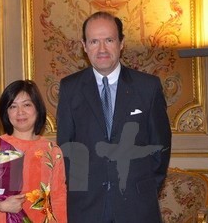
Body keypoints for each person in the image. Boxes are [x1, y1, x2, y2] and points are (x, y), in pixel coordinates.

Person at [56, 11, 172, 223]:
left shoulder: (148, 87)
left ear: (121, 43)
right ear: (84, 46)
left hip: (137, 207)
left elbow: (160, 148)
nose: (101, 49)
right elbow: (66, 148)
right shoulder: (70, 88)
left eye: (109, 40)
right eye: (94, 41)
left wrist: (143, 188)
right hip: (86, 208)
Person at [0, 79, 67, 223]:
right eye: (13, 107)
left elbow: (59, 197)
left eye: (27, 105)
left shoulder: (52, 150)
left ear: (37, 109)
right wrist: (1, 205)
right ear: (6, 113)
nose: (20, 112)